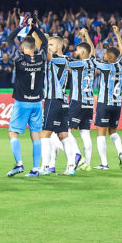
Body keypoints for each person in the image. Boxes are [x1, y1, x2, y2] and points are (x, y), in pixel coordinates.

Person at [4, 13, 47, 178]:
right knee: (36, 135)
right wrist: (35, 27)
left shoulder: (19, 59)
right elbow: (44, 42)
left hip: (22, 103)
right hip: (37, 102)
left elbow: (9, 39)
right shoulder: (41, 57)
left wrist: (22, 26)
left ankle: (19, 164)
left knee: (13, 133)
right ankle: (35, 169)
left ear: (23, 48)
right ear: (35, 47)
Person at [40, 33, 82, 175]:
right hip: (64, 101)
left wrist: (43, 40)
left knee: (45, 134)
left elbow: (44, 52)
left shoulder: (58, 59)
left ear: (59, 46)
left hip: (53, 100)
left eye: (52, 45)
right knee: (63, 134)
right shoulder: (65, 60)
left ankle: (45, 167)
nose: (49, 47)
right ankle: (70, 167)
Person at [93, 25, 122, 170]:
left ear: (109, 57)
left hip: (104, 102)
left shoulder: (104, 66)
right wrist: (117, 34)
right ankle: (120, 152)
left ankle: (104, 163)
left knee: (100, 134)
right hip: (117, 104)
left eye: (106, 54)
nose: (104, 55)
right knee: (113, 132)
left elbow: (90, 56)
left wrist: (87, 39)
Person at [68, 29, 96, 170]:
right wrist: (87, 37)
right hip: (89, 102)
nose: (75, 52)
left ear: (83, 53)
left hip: (77, 101)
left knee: (64, 129)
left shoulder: (78, 64)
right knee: (85, 133)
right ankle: (88, 163)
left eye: (78, 50)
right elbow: (93, 51)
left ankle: (77, 155)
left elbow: (64, 63)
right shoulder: (92, 62)